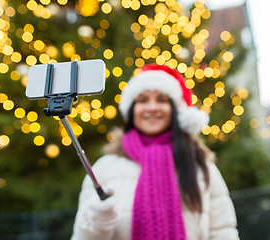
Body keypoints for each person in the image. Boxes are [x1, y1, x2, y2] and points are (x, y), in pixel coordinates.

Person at [71, 64, 239, 240]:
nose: (152, 108)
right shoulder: (104, 169)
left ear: (176, 110)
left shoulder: (201, 167)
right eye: (142, 100)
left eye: (162, 100)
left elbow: (223, 232)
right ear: (132, 109)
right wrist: (95, 224)